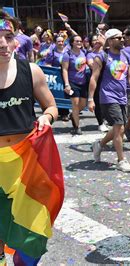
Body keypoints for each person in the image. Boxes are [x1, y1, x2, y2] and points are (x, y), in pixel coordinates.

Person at [0, 11, 62, 264]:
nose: (2, 44)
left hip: (28, 165)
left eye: (8, 36)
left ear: (16, 40)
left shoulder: (32, 71)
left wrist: (47, 118)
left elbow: (52, 106)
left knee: (31, 231)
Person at [88, 29, 130, 173]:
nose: (122, 39)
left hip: (123, 97)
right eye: (118, 37)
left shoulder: (126, 55)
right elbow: (94, 78)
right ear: (110, 41)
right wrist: (91, 99)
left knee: (118, 127)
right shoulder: (102, 56)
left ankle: (99, 144)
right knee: (120, 127)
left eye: (123, 37)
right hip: (108, 96)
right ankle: (121, 160)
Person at [62, 35, 89, 135]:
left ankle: (73, 114)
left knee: (83, 105)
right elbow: (64, 69)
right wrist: (67, 84)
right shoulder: (67, 54)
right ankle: (77, 127)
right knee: (76, 104)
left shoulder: (84, 52)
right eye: (77, 41)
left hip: (83, 82)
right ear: (72, 43)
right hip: (73, 82)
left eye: (80, 41)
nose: (79, 43)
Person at [86, 34, 108, 132]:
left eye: (97, 39)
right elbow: (91, 65)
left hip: (108, 80)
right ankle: (100, 122)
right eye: (94, 40)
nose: (96, 41)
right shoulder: (90, 54)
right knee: (98, 102)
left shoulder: (106, 52)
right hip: (97, 80)